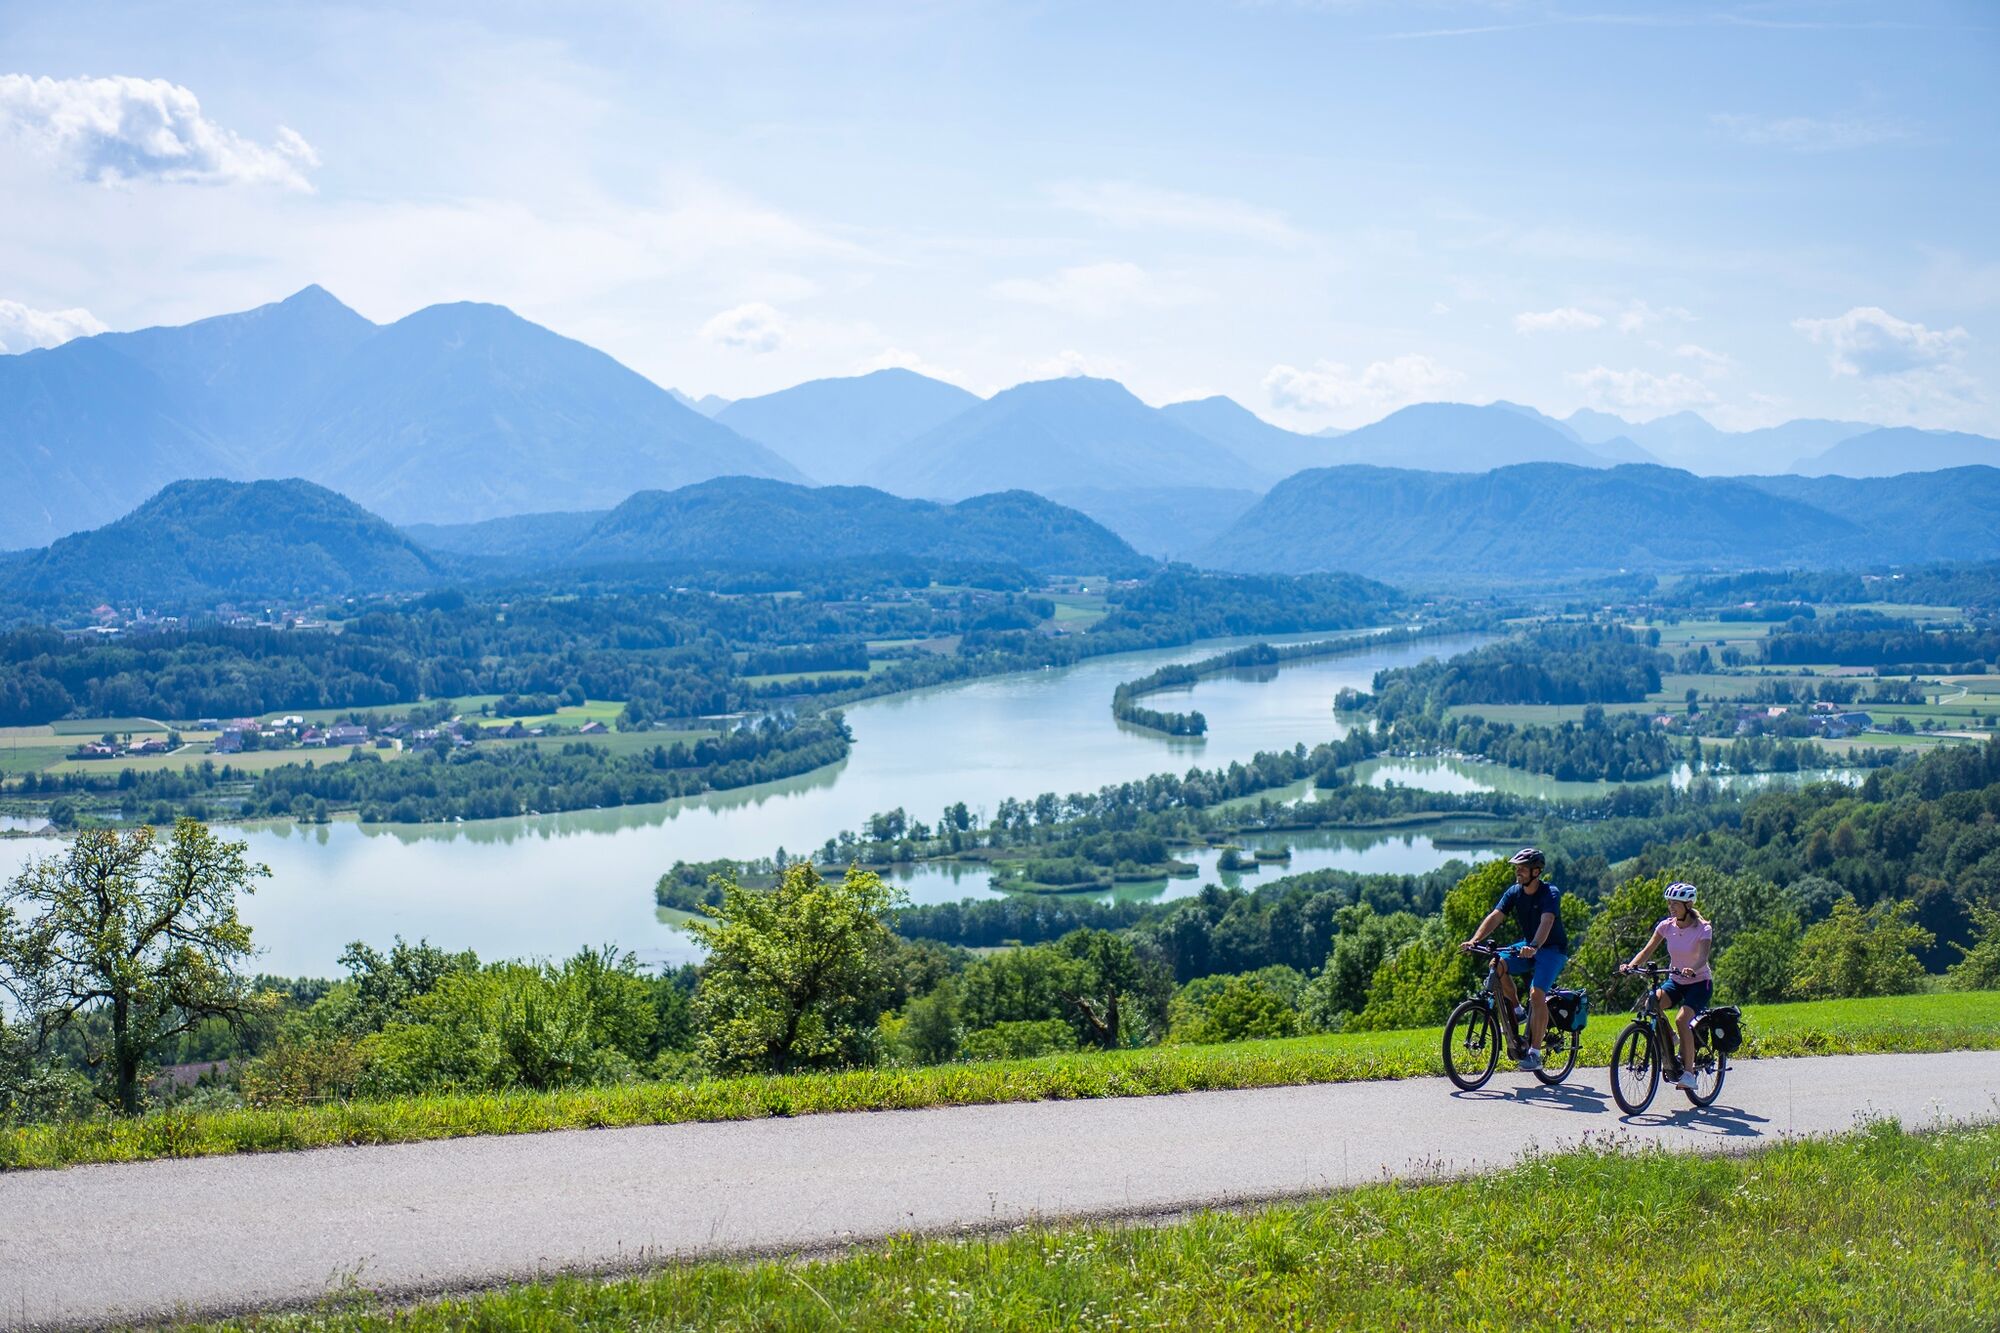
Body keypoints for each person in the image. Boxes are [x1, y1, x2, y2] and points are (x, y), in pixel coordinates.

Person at [1460, 847, 1568, 1072]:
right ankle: (1518, 1010)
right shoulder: (1514, 892)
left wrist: (1534, 946)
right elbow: (1495, 916)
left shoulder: (1550, 893)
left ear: (1536, 872)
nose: (1518, 872)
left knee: (1536, 994)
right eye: (1517, 868)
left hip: (1551, 949)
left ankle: (1535, 1054)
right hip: (1527, 945)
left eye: (1523, 868)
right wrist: (1474, 940)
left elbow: (1547, 921)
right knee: (1496, 964)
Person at [1619, 881, 1714, 1091]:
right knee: (1652, 1002)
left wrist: (1692, 968)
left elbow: (1703, 958)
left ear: (1688, 905)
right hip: (1677, 980)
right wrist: (1631, 966)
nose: (1671, 907)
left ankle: (1689, 1074)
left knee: (1682, 1019)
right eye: (1670, 903)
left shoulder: (1703, 928)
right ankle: (1670, 1036)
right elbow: (1647, 951)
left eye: (1675, 904)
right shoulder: (1666, 926)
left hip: (1699, 983)